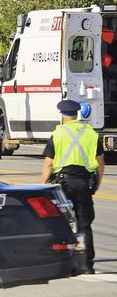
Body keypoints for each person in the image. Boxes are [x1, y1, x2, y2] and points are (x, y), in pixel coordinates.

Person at [41, 99, 105, 275]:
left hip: (63, 185)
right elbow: (100, 163)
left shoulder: (58, 133)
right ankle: (86, 265)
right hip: (84, 183)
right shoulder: (91, 133)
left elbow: (48, 164)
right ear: (77, 114)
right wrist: (96, 184)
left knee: (60, 223)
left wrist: (43, 184)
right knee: (84, 224)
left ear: (62, 115)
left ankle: (63, 263)